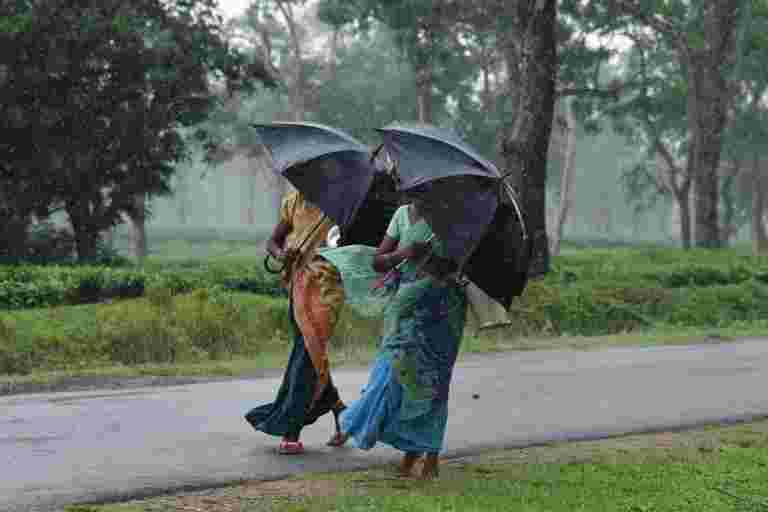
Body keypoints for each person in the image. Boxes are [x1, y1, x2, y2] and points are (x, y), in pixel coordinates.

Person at [320, 194, 468, 479]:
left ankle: (429, 455)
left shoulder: (449, 216)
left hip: (440, 309)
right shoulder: (402, 214)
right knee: (390, 375)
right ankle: (397, 442)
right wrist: (404, 254)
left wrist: (433, 259)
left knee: (432, 381)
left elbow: (456, 266)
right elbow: (379, 262)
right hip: (405, 306)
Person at [244, 188, 348, 455]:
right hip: (298, 286)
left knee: (307, 354)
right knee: (309, 354)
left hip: (326, 289)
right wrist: (282, 255)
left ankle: (291, 430)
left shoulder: (339, 205)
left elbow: (345, 246)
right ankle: (339, 410)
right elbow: (273, 242)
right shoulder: (292, 204)